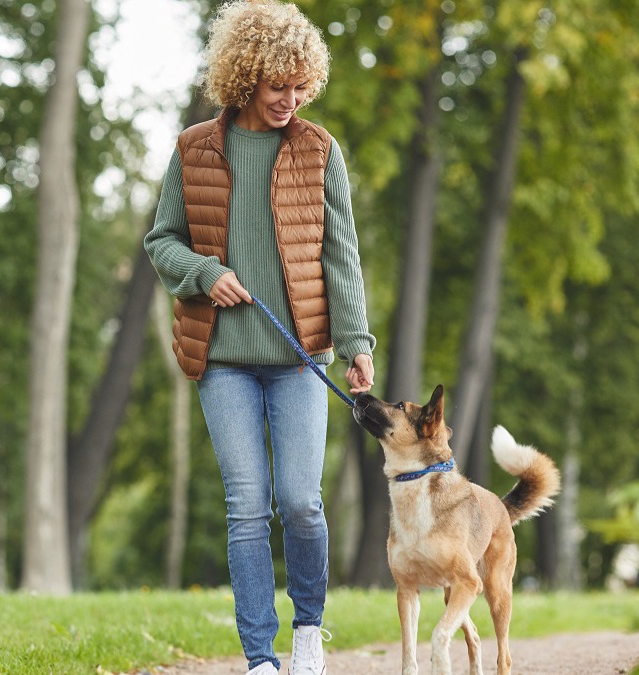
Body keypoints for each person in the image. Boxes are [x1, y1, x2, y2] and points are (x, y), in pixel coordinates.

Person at [143, 2, 376, 674]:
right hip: (222, 359)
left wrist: (357, 339)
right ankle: (259, 658)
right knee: (248, 505)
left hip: (300, 357)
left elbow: (341, 254)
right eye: (279, 87)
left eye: (302, 87)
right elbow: (162, 239)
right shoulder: (194, 148)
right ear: (245, 77)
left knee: (303, 501)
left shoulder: (319, 149)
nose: (290, 100)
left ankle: (308, 630)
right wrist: (203, 271)